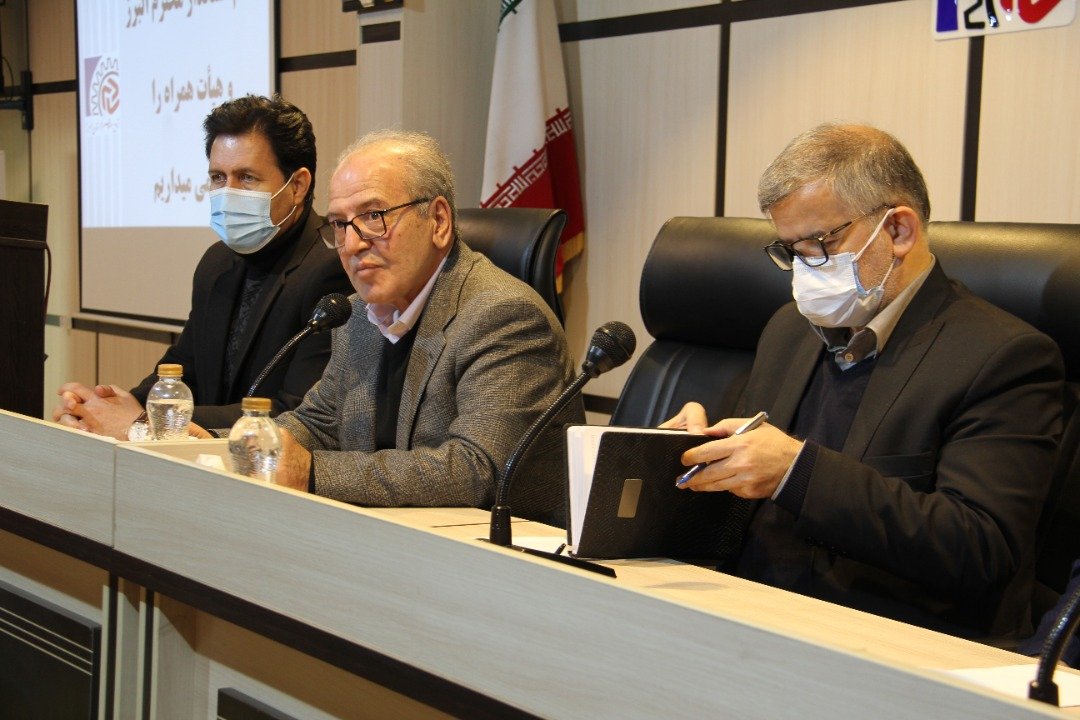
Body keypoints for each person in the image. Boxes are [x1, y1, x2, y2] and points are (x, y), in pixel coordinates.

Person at [663, 123, 1064, 639]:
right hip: (747, 614)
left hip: (887, 638)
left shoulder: (1003, 356)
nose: (804, 269)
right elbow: (755, 491)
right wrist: (699, 453)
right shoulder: (789, 329)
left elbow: (981, 548)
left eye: (820, 243)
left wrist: (796, 471)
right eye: (791, 250)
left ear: (899, 230)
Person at [262, 129, 581, 520]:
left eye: (373, 216)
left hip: (493, 550)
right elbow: (318, 424)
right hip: (394, 535)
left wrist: (314, 472)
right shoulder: (357, 316)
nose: (353, 244)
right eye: (340, 224)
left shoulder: (504, 316)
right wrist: (235, 446)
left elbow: (477, 470)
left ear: (439, 221)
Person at [53, 94, 352, 438]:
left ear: (297, 186)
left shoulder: (332, 269)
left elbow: (296, 412)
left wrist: (144, 421)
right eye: (218, 177)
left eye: (247, 177)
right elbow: (184, 368)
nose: (228, 192)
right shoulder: (217, 261)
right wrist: (106, 407)